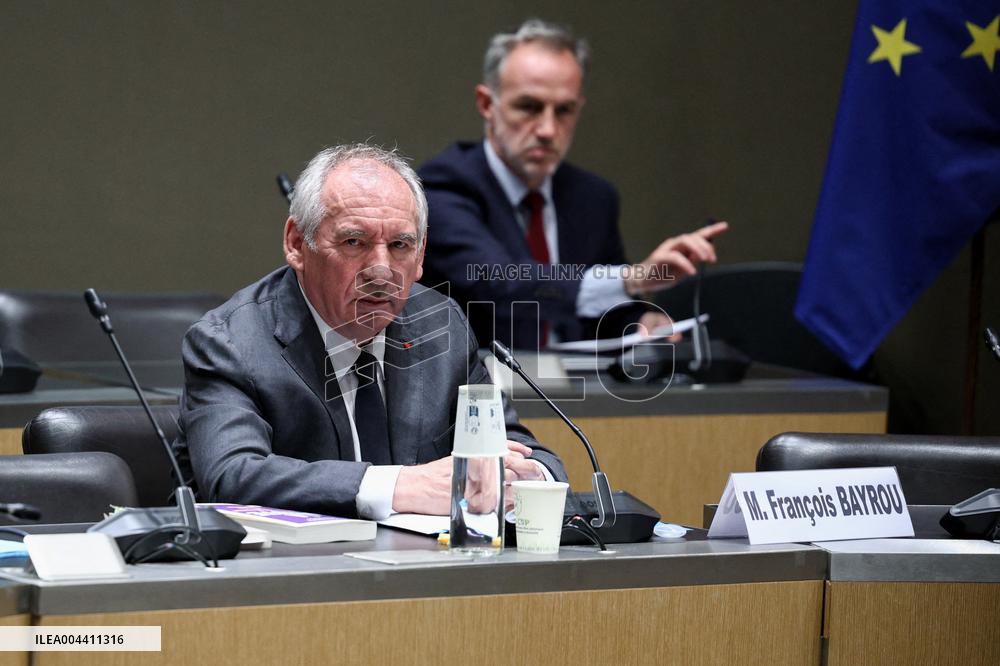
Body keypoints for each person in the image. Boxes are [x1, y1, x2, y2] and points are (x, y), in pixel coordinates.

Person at [173, 144, 565, 520]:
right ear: (296, 243)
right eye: (354, 242)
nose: (381, 269)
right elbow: (231, 476)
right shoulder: (229, 343)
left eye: (399, 245)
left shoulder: (440, 325)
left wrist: (527, 480)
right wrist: (400, 486)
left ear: (421, 255)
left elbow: (522, 451)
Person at [419, 19, 728, 350]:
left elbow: (604, 312)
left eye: (564, 110)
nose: (548, 129)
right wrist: (631, 278)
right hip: (479, 391)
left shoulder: (593, 198)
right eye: (529, 107)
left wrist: (640, 322)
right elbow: (500, 281)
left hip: (580, 393)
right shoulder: (444, 185)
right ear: (486, 104)